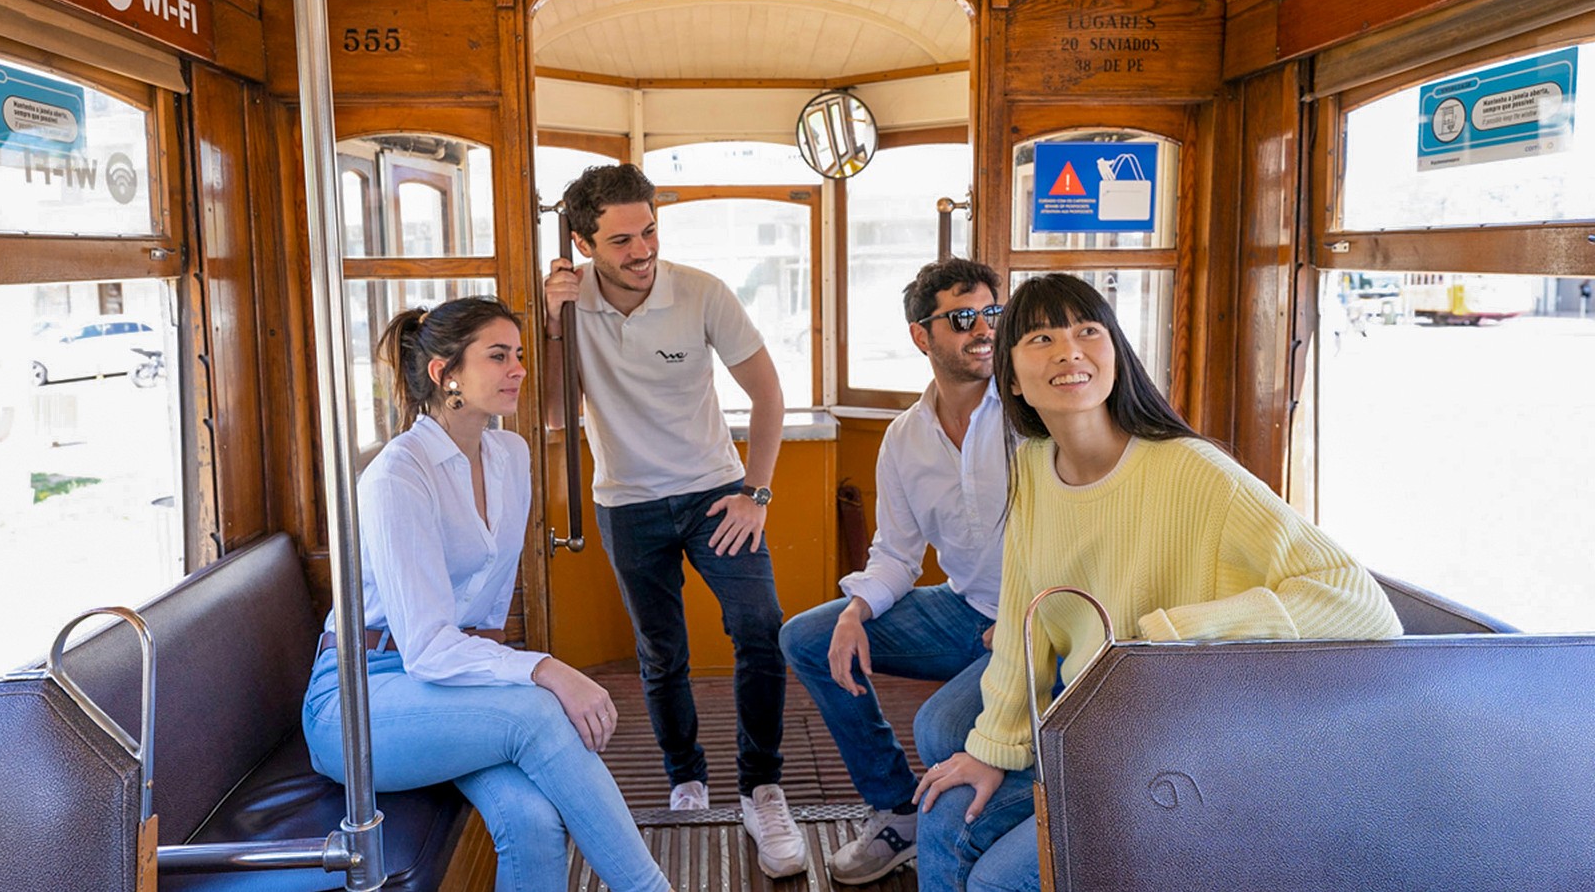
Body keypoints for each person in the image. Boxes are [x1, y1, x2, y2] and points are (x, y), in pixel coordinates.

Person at [911, 272, 1403, 892]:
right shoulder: (1034, 466)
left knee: (993, 880)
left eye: (1088, 330)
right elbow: (1023, 623)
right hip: (1090, 733)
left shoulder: (1191, 470)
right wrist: (993, 749)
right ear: (1010, 377)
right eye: (1040, 337)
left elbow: (1359, 603)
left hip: (1182, 750)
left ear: (1115, 351)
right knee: (943, 817)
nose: (1069, 350)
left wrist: (1167, 640)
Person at [301, 296, 671, 892]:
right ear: (444, 374)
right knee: (538, 711)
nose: (518, 369)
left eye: (519, 355)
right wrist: (546, 668)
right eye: (497, 356)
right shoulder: (398, 475)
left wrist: (524, 669)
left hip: (444, 685)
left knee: (532, 821)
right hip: (360, 699)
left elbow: (485, 620)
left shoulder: (510, 455)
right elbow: (425, 648)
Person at [542, 164, 807, 878]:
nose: (641, 250)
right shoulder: (565, 306)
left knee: (762, 626)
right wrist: (548, 322)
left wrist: (758, 491)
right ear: (583, 242)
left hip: (715, 490)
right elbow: (547, 413)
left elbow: (767, 391)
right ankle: (685, 777)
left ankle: (762, 786)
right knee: (660, 653)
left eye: (650, 230)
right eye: (622, 239)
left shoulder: (700, 291)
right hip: (626, 502)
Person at [779, 258, 1008, 884]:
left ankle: (994, 827)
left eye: (993, 313)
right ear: (921, 335)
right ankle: (897, 809)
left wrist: (1020, 623)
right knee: (804, 636)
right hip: (964, 611)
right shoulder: (905, 437)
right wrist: (856, 610)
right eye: (963, 317)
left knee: (938, 729)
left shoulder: (1031, 416)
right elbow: (898, 555)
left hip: (1035, 625)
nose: (983, 329)